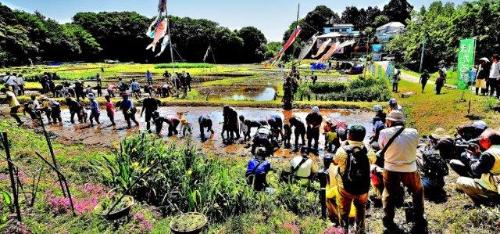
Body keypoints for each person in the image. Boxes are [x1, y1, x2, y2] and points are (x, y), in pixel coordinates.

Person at [378, 111, 427, 233]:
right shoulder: (414, 132)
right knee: (417, 191)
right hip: (410, 168)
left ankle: (388, 220)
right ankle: (419, 218)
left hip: (390, 168)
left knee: (388, 193)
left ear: (389, 121)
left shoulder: (384, 132)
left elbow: (381, 147)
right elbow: (415, 146)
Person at [330, 125, 375, 233]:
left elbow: (335, 162)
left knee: (344, 211)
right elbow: (373, 161)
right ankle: (360, 230)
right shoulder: (369, 151)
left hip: (345, 188)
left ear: (349, 135)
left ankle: (344, 231)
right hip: (363, 188)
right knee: (361, 208)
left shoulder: (342, 151)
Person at [455, 129, 500, 205]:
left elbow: (475, 170)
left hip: (495, 186)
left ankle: (482, 202)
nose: (479, 141)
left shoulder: (488, 154)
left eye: (481, 139)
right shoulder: (494, 151)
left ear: (487, 141)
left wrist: (473, 156)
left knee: (460, 181)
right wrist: (479, 154)